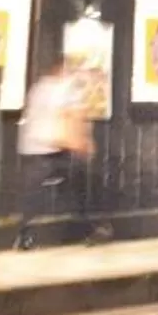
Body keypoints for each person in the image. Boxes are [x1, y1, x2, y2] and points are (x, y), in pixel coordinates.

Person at [15, 59, 97, 248]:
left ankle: (25, 235)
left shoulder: (39, 87)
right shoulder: (65, 88)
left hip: (33, 146)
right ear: (62, 69)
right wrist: (82, 143)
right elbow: (71, 115)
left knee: (33, 194)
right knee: (78, 185)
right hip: (55, 147)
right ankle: (85, 229)